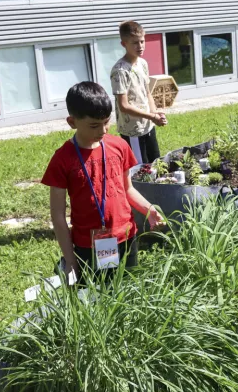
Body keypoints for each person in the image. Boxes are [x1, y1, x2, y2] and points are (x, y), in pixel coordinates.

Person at [42, 81, 163, 283]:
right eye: (94, 125)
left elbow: (127, 189)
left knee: (127, 289)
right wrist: (70, 260)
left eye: (107, 122)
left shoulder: (119, 146)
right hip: (89, 244)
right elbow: (57, 215)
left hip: (126, 236)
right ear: (72, 122)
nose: (103, 130)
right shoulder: (63, 160)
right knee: (99, 296)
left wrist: (148, 209)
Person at [112, 21, 168, 165]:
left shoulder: (143, 63)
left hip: (148, 125)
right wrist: (152, 116)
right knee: (141, 170)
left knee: (156, 163)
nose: (140, 46)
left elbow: (147, 92)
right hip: (133, 131)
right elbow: (123, 106)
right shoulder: (120, 70)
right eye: (135, 43)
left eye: (142, 41)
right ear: (124, 44)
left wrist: (156, 114)